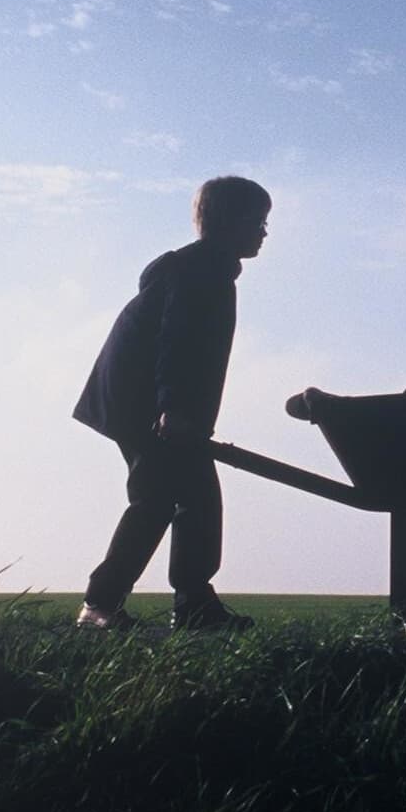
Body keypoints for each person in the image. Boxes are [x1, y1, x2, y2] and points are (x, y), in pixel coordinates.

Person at [72, 176, 269, 633]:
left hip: (151, 404)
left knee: (194, 499)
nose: (263, 232)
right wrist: (173, 408)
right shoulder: (200, 272)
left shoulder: (209, 269)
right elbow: (175, 343)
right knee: (157, 499)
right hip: (144, 405)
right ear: (228, 222)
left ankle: (192, 604)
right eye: (258, 221)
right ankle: (100, 605)